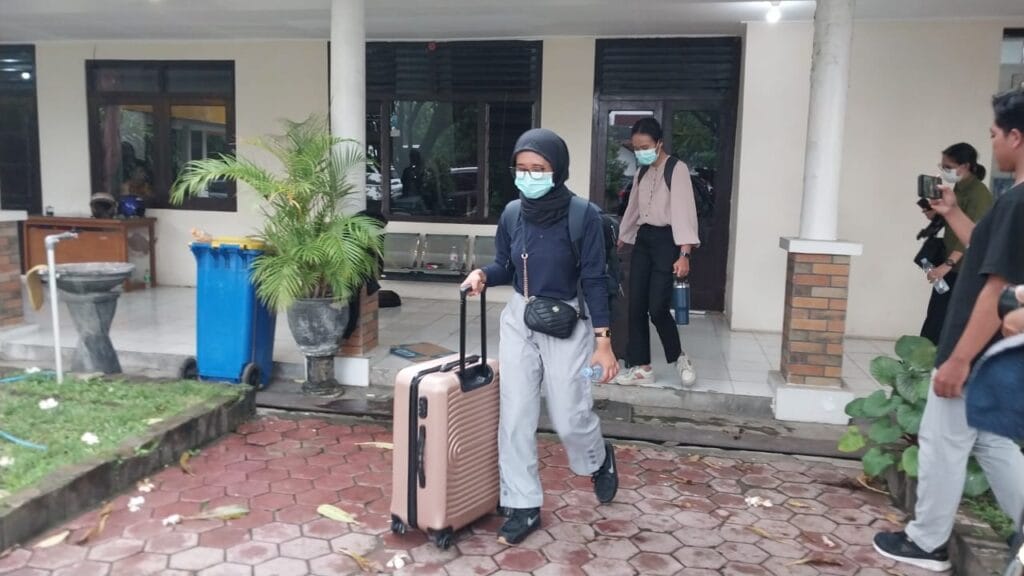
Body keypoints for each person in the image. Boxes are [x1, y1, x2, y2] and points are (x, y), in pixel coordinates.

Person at [874, 88, 1024, 573]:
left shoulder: (1017, 202)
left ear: (1016, 137)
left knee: (942, 442)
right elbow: (985, 246)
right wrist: (952, 213)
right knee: (992, 441)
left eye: (995, 134)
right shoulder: (1012, 200)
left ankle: (927, 542)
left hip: (974, 348)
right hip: (993, 350)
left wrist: (959, 359)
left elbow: (996, 286)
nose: (992, 143)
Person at [461, 128, 620, 545]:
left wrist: (603, 343)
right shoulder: (513, 213)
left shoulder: (582, 216)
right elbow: (505, 265)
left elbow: (595, 279)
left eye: (538, 169)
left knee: (569, 414)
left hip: (569, 321)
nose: (528, 176)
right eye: (522, 168)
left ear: (558, 170)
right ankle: (523, 504)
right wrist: (483, 275)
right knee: (515, 415)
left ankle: (598, 458)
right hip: (520, 318)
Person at [614, 118, 700, 388]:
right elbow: (633, 208)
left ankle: (679, 357)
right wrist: (622, 237)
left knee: (657, 308)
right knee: (636, 305)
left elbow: (685, 212)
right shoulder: (641, 172)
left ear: (659, 143)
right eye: (637, 148)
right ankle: (642, 367)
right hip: (644, 240)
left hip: (667, 241)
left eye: (645, 147)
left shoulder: (676, 169)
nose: (641, 152)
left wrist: (684, 254)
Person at [919, 143, 993, 344]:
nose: (944, 171)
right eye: (942, 166)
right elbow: (954, 221)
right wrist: (936, 214)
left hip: (963, 269)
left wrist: (947, 265)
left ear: (965, 166)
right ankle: (926, 358)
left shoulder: (979, 194)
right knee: (935, 319)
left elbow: (973, 236)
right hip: (950, 265)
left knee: (947, 323)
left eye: (948, 167)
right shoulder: (958, 189)